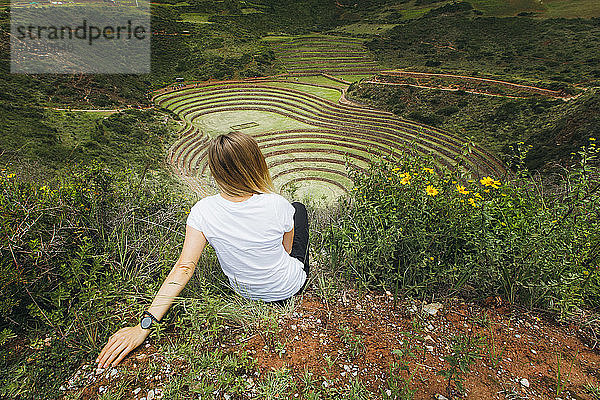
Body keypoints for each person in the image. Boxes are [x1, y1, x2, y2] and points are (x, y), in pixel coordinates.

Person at [95, 131, 310, 369]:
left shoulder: (202, 211)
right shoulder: (277, 204)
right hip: (289, 288)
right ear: (256, 164)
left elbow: (184, 267)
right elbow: (287, 249)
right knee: (298, 209)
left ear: (216, 170)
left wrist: (144, 325)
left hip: (245, 292)